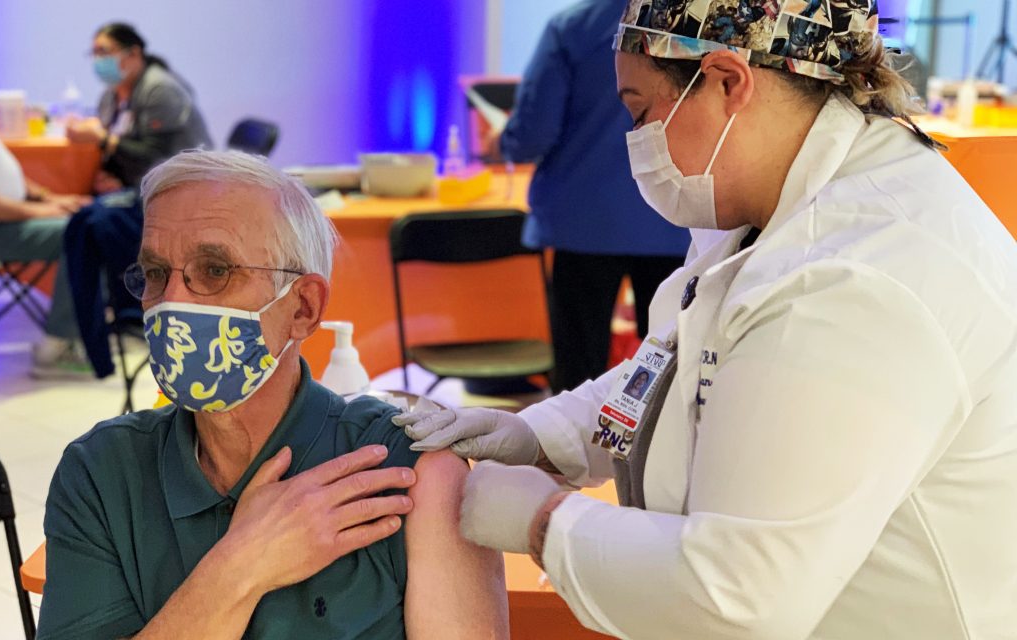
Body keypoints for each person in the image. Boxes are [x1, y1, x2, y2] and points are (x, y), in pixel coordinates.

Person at [393, 0, 1017, 637]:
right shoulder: (779, 206)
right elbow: (684, 368)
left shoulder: (854, 276)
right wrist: (539, 435)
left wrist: (543, 522)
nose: (637, 141)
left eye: (641, 112)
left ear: (725, 80)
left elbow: (737, 596)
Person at [38, 150, 509, 639]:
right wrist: (240, 568)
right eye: (156, 273)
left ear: (303, 308)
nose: (171, 302)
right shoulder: (101, 471)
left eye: (214, 270)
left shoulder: (408, 471)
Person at [490, 0, 691, 392]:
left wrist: (503, 143)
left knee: (579, 373)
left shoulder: (572, 29)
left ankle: (577, 437)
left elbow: (534, 133)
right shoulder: (698, 25)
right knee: (672, 367)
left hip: (585, 223)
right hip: (675, 219)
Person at [64, 22, 213, 379]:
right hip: (142, 190)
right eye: (94, 53)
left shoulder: (160, 90)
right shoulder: (112, 96)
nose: (98, 60)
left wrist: (105, 142)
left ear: (133, 54)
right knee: (81, 222)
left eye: (105, 52)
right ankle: (104, 334)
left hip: (182, 191)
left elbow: (160, 158)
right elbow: (124, 154)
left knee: (90, 224)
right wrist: (111, 171)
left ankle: (135, 306)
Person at [0, 132, 92, 376]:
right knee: (83, 233)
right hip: (0, 226)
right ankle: (62, 344)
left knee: (92, 222)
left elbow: (4, 171)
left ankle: (77, 333)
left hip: (8, 221)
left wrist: (49, 199)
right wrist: (42, 210)